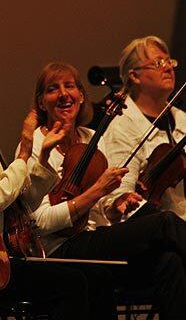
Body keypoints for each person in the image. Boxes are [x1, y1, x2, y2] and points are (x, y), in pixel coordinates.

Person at [0, 73, 115, 319]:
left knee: (98, 278)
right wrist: (24, 150)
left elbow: (20, 206)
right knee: (72, 284)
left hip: (3, 259)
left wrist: (42, 156)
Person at [28, 61, 186, 319]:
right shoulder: (35, 144)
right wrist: (97, 191)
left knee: (170, 261)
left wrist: (115, 205)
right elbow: (38, 223)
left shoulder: (92, 138)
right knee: (165, 223)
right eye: (52, 89)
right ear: (42, 101)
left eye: (70, 86)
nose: (64, 93)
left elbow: (104, 207)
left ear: (81, 96)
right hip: (62, 248)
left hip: (99, 241)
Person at [101, 36, 186, 223]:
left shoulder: (182, 119)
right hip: (157, 230)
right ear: (134, 76)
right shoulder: (123, 125)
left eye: (169, 61)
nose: (168, 67)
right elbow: (121, 196)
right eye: (158, 63)